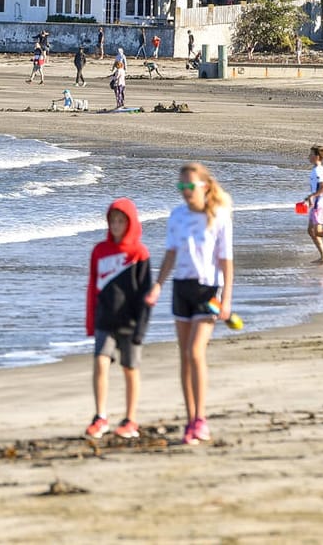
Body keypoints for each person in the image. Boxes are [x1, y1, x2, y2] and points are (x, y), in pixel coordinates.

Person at [145, 162, 234, 446]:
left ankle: (202, 419)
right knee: (184, 356)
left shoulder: (218, 217)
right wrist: (157, 285)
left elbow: (226, 262)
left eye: (189, 186)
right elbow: (170, 254)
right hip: (181, 288)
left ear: (204, 186)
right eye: (180, 186)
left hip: (208, 290)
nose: (185, 191)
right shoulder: (176, 216)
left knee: (196, 352)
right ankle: (190, 419)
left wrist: (226, 299)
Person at [84, 198, 153, 440]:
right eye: (112, 220)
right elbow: (93, 287)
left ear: (130, 223)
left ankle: (130, 419)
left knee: (129, 368)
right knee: (100, 363)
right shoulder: (99, 251)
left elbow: (146, 294)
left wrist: (141, 329)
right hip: (105, 321)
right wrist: (91, 322)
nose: (115, 225)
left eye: (121, 221)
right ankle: (100, 416)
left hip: (131, 323)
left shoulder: (139, 253)